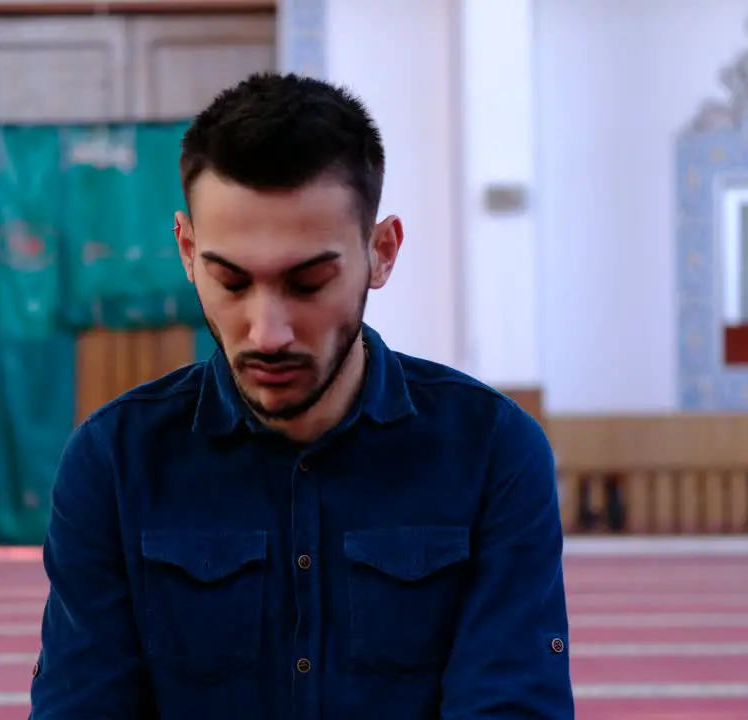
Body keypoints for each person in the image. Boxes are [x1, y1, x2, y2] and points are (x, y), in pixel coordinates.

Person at [29, 72, 574, 719]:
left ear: (382, 252)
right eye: (230, 281)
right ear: (186, 250)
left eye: (309, 282)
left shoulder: (492, 453)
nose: (268, 332)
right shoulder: (113, 462)